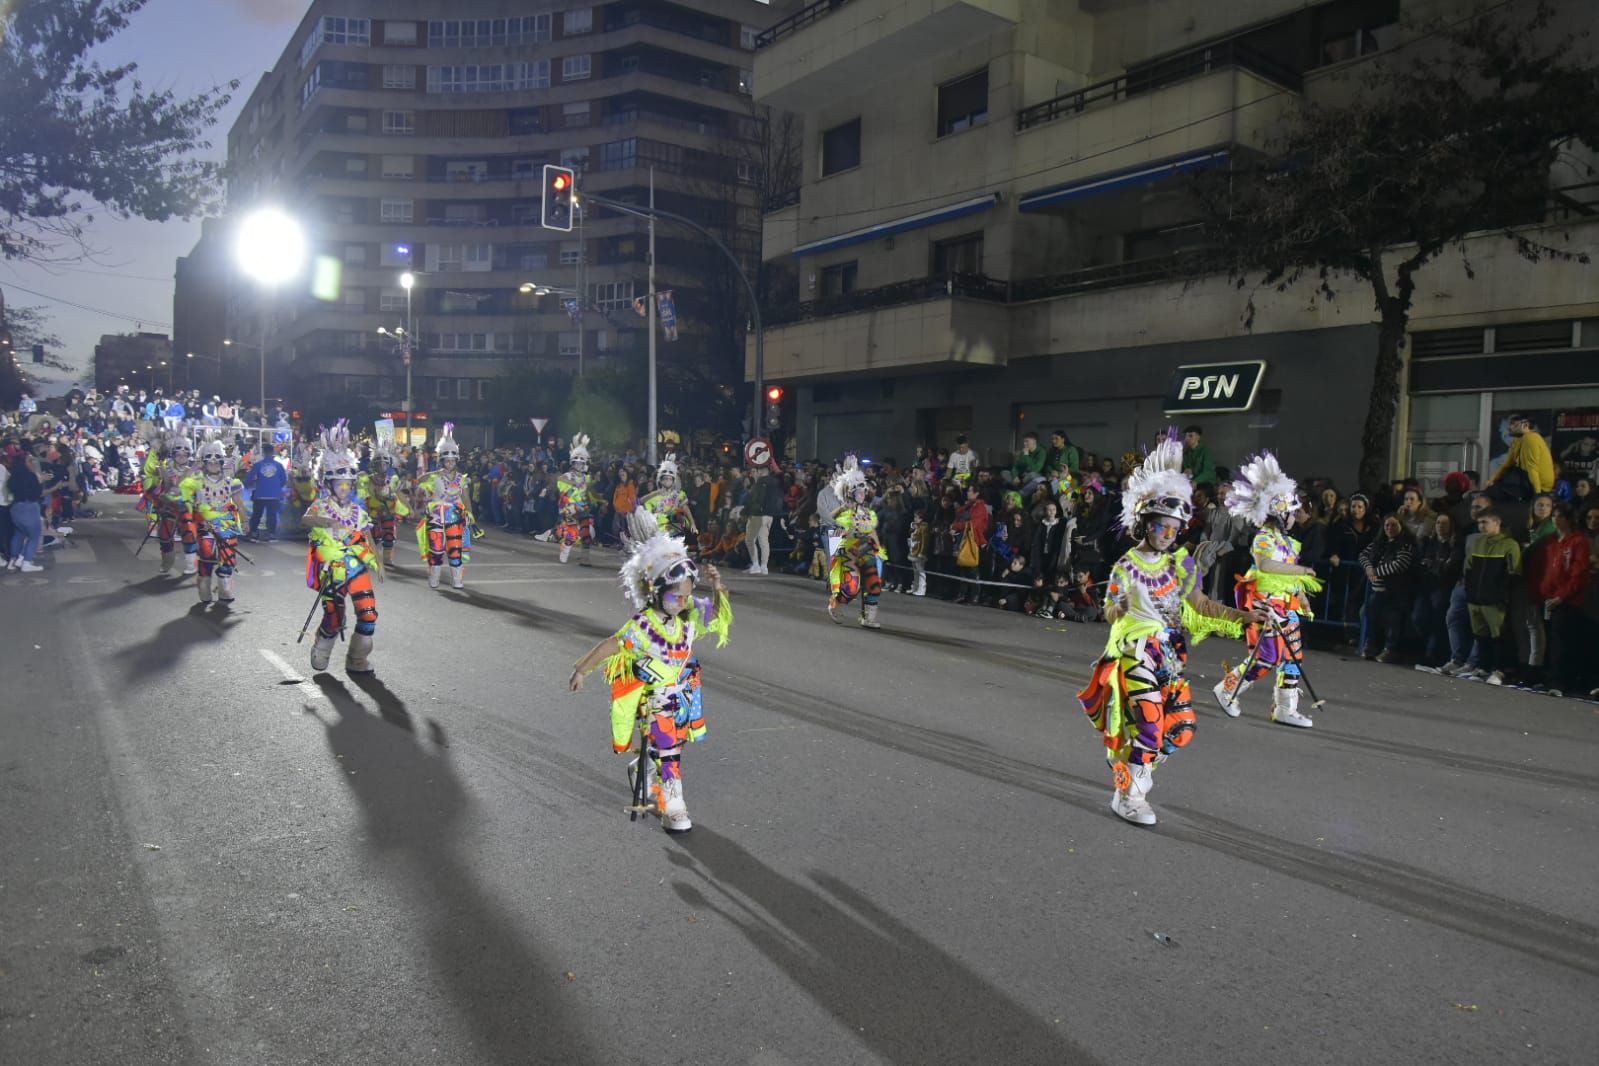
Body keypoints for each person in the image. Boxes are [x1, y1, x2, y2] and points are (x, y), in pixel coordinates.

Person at [1077, 430, 1262, 827]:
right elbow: (1108, 609)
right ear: (1145, 524)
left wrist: (1242, 616)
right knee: (1148, 720)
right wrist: (1119, 607)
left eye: (1175, 528)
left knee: (1180, 729)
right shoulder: (1125, 566)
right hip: (1135, 651)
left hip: (1168, 655)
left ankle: (1130, 776)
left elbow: (1201, 604)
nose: (1170, 533)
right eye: (1163, 525)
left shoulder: (1181, 564)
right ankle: (1131, 796)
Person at [568, 532, 731, 835]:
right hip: (655, 699)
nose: (682, 602)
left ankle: (641, 768)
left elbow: (718, 615)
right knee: (670, 750)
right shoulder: (642, 626)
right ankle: (673, 805)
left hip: (683, 695)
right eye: (675, 596)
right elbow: (610, 646)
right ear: (656, 591)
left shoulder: (688, 616)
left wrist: (718, 588)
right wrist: (581, 670)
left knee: (671, 745)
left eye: (686, 596)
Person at [1211, 452, 1321, 728]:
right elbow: (1266, 565)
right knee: (1268, 656)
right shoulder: (1264, 538)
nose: (1295, 516)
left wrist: (1302, 598)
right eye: (1291, 511)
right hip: (1265, 604)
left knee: (1292, 656)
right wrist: (1301, 571)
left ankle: (1285, 708)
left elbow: (1288, 578)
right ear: (1279, 512)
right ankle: (1227, 689)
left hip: (1286, 605)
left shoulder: (1288, 542)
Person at [302, 422, 382, 674]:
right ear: (329, 484)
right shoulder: (322, 505)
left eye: (348, 483)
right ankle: (322, 646)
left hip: (356, 567)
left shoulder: (358, 510)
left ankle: (357, 659)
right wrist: (323, 520)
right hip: (331, 568)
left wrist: (378, 562)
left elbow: (367, 535)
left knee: (368, 613)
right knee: (335, 618)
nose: (345, 488)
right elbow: (306, 519)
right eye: (339, 483)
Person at [180, 435, 246, 605]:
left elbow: (239, 503)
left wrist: (245, 521)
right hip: (205, 525)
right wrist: (194, 467)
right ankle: (204, 587)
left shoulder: (232, 482)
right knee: (207, 556)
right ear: (204, 462)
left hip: (227, 524)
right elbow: (182, 486)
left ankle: (224, 589)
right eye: (209, 459)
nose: (214, 462)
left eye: (217, 459)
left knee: (228, 559)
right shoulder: (197, 481)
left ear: (222, 461)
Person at [1460, 507, 1521, 686]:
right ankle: (1483, 667)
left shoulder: (1510, 544)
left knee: (1499, 637)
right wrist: (1470, 594)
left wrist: (1501, 596)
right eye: (1479, 522)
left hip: (1494, 601)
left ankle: (1499, 669)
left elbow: (1514, 573)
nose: (1481, 526)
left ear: (1497, 522)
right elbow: (1469, 570)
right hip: (1476, 599)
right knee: (1480, 635)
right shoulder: (1477, 543)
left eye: (1485, 522)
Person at [412, 422, 476, 589]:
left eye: (452, 460)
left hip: (455, 515)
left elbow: (466, 498)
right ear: (441, 460)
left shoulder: (462, 478)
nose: (449, 463)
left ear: (456, 460)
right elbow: (418, 481)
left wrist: (470, 514)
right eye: (446, 460)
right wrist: (434, 473)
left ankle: (457, 579)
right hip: (436, 516)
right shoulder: (435, 477)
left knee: (455, 549)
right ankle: (434, 577)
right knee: (437, 548)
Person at [826, 455, 887, 628]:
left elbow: (871, 530)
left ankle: (868, 617)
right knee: (852, 587)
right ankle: (835, 603)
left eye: (863, 490)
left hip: (866, 549)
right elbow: (831, 521)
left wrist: (879, 550)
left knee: (874, 583)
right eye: (858, 490)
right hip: (848, 550)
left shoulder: (867, 512)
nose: (862, 493)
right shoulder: (842, 510)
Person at [1538, 504, 1590, 697]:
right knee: (1552, 639)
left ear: (1568, 519)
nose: (1554, 519)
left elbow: (1579, 573)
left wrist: (1561, 596)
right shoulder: (1553, 543)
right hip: (1550, 598)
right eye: (1554, 516)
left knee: (1563, 642)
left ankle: (1560, 682)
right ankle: (1552, 678)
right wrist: (1546, 593)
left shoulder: (1578, 542)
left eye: (1559, 516)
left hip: (1568, 600)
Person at [1359, 514, 1417, 662]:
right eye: (1387, 526)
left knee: (1392, 619)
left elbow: (1400, 564)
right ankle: (1371, 645)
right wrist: (1369, 568)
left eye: (1393, 525)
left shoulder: (1405, 544)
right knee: (1370, 613)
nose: (1390, 528)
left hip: (1396, 591)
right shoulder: (1379, 543)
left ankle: (1390, 649)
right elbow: (1363, 555)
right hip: (1377, 590)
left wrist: (1377, 572)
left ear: (1401, 526)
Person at [140, 429, 197, 576]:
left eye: (185, 454)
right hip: (170, 508)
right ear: (173, 455)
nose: (181, 457)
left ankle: (191, 563)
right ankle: (167, 560)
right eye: (178, 454)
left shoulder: (194, 471)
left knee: (189, 533)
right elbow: (165, 486)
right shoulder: (166, 469)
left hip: (187, 508)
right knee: (164, 535)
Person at [356, 441, 410, 567]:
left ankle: (386, 559)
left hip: (389, 512)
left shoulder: (393, 480)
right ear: (373, 464)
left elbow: (399, 494)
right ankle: (370, 556)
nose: (382, 465)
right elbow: (361, 495)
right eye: (379, 462)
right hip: (372, 513)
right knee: (373, 536)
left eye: (385, 462)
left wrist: (409, 508)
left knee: (389, 536)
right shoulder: (366, 479)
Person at [1486, 413, 1556, 502]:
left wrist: (1538, 495)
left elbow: (1532, 468)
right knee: (1493, 488)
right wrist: (1491, 480)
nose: (1509, 428)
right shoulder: (1518, 441)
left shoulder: (1531, 438)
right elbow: (1507, 464)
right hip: (1528, 482)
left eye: (1514, 424)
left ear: (1525, 425)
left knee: (1496, 490)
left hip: (1540, 487)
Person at [554, 433, 598, 566]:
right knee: (572, 534)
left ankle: (585, 558)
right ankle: (565, 548)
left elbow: (590, 492)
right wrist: (574, 484)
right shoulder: (568, 476)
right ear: (573, 463)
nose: (579, 465)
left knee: (587, 532)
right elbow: (559, 479)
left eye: (581, 463)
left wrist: (597, 497)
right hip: (570, 509)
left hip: (583, 508)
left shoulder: (587, 478)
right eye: (576, 462)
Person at [5, 452, 46, 573]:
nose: (32, 463)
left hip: (15, 507)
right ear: (24, 463)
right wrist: (40, 480)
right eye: (29, 461)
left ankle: (13, 560)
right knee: (34, 535)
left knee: (18, 534)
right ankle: (26, 561)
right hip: (29, 507)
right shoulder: (30, 476)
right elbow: (37, 493)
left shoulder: (12, 477)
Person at [245, 442, 287, 542]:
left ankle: (254, 534)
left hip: (260, 494)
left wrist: (250, 485)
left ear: (263, 453)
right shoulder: (279, 465)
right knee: (272, 515)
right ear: (273, 452)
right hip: (274, 495)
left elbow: (249, 480)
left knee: (256, 515)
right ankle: (271, 534)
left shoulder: (258, 465)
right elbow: (284, 480)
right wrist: (276, 487)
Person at [743, 464, 779, 575]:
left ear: (759, 472)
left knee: (750, 540)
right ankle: (764, 567)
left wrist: (748, 511)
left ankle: (756, 565)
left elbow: (755, 500)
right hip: (769, 515)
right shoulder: (774, 483)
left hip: (758, 515)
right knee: (764, 541)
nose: (752, 474)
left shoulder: (759, 483)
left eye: (754, 471)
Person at [1180, 425, 1217, 491]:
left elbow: (1208, 472)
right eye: (1186, 436)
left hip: (1205, 483)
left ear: (1198, 437)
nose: (1187, 438)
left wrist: (1196, 481)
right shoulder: (1185, 452)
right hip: (1191, 481)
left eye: (1191, 436)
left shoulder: (1205, 450)